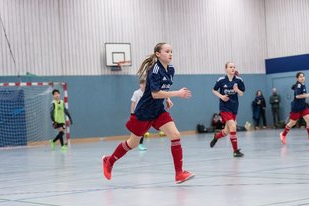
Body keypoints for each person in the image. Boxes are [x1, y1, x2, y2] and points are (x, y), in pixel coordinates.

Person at [102, 43, 194, 184]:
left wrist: (167, 98)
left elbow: (163, 87)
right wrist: (177, 94)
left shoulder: (171, 69)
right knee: (132, 143)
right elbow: (155, 93)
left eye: (171, 51)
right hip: (145, 112)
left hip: (158, 111)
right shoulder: (155, 70)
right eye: (167, 51)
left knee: (175, 135)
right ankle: (109, 161)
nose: (170, 54)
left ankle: (179, 173)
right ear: (158, 54)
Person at [209, 62, 245, 157]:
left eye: (234, 67)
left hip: (234, 107)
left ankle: (216, 137)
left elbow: (242, 94)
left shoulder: (239, 80)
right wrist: (221, 96)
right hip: (224, 108)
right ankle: (235, 151)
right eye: (230, 67)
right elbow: (214, 90)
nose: (233, 68)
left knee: (227, 130)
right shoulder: (221, 80)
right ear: (226, 69)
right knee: (233, 126)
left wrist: (237, 90)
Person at [279, 72, 309, 144]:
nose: (302, 78)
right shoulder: (298, 85)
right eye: (300, 77)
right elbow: (297, 96)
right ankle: (283, 134)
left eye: (303, 76)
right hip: (296, 107)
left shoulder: (302, 85)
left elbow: (297, 90)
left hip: (303, 106)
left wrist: (304, 95)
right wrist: (307, 95)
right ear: (297, 78)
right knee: (292, 123)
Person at [131, 78, 147, 151]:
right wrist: (132, 113)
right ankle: (133, 142)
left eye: (144, 84)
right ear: (140, 85)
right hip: (138, 113)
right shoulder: (136, 93)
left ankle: (140, 144)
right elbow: (133, 103)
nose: (143, 85)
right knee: (138, 130)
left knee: (143, 130)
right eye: (141, 84)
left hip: (145, 113)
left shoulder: (147, 93)